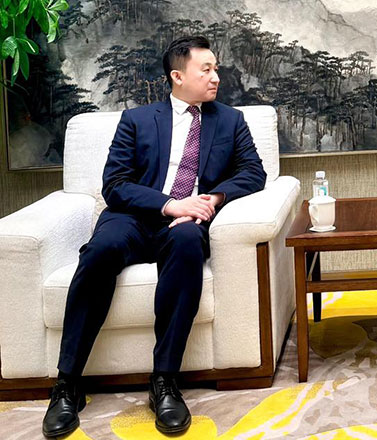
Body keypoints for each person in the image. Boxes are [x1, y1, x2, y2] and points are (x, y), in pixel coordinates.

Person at [42, 35, 267, 437]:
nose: (216, 77)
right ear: (178, 76)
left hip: (186, 224)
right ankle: (67, 384)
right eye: (206, 69)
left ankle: (164, 381)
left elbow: (254, 172)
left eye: (216, 69)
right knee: (100, 250)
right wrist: (170, 204)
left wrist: (212, 199)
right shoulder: (138, 120)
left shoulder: (230, 120)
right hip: (134, 217)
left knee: (187, 243)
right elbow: (115, 184)